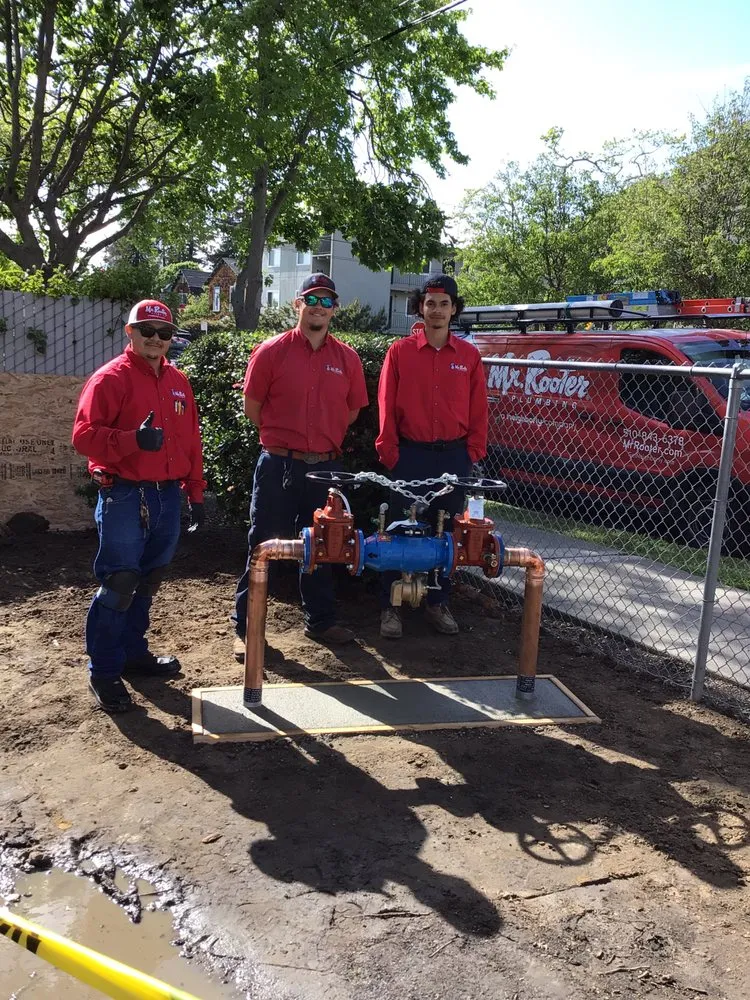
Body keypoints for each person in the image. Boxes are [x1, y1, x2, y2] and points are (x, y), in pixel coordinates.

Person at [72, 299, 205, 713]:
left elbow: (191, 440)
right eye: (147, 330)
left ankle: (132, 653)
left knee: (148, 580)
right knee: (120, 582)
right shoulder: (109, 379)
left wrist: (195, 493)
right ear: (130, 332)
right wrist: (132, 440)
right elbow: (83, 436)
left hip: (166, 494)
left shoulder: (179, 381)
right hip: (125, 494)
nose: (155, 339)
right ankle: (104, 671)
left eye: (164, 333)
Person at [233, 274, 369, 660]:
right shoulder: (271, 351)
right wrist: (286, 442)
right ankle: (246, 627)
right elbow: (253, 408)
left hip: (325, 468)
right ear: (298, 304)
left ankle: (321, 621)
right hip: (278, 463)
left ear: (335, 310)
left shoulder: (347, 359)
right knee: (262, 544)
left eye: (327, 302)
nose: (318, 308)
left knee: (324, 544)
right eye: (312, 299)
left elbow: (352, 411)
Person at [376, 274, 488, 639]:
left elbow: (479, 409)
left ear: (454, 309)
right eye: (430, 304)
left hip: (453, 459)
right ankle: (390, 607)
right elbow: (385, 404)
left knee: (448, 534)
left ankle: (438, 602)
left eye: (444, 304)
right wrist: (389, 452)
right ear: (420, 308)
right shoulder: (400, 352)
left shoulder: (468, 356)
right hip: (410, 457)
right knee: (397, 530)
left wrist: (472, 453)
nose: (437, 310)